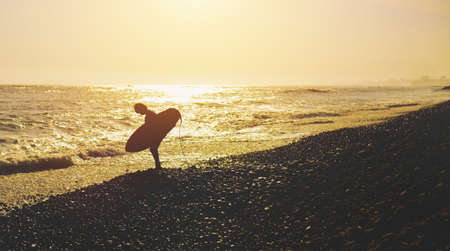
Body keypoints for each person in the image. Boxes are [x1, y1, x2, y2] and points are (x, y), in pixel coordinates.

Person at [133, 103, 181, 169]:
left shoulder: (149, 114)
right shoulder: (149, 113)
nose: (138, 113)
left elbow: (151, 127)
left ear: (142, 108)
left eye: (138, 110)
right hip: (157, 134)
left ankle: (158, 165)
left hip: (157, 134)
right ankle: (158, 165)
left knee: (153, 149)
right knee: (153, 149)